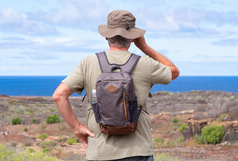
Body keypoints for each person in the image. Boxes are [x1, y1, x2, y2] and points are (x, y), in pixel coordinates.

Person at [53, 10, 180, 161]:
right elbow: (174, 71)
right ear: (133, 38)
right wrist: (144, 47)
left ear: (106, 36)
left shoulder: (88, 62)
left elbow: (59, 95)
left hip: (99, 152)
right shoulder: (145, 63)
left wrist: (77, 128)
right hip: (138, 151)